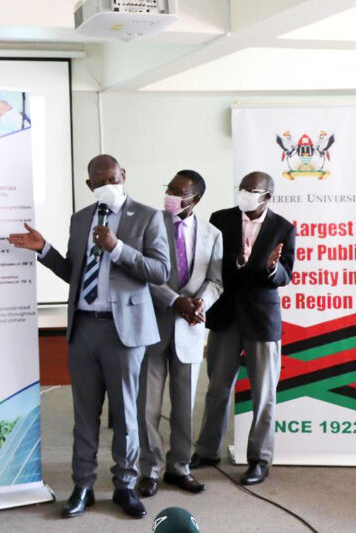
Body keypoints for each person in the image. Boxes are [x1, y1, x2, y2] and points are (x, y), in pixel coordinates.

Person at [8, 154, 169, 520]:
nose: (106, 185)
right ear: (89, 186)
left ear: (123, 175)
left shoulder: (146, 216)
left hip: (124, 331)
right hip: (83, 328)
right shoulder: (81, 219)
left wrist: (118, 248)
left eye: (112, 178)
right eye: (99, 182)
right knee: (84, 414)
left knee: (127, 414)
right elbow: (75, 273)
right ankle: (82, 486)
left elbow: (160, 271)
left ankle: (125, 485)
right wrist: (44, 251)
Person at [190, 171, 295, 486]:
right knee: (217, 388)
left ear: (267, 196)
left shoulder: (283, 228)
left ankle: (259, 460)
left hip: (263, 320)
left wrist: (271, 267)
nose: (245, 194)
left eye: (253, 190)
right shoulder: (219, 219)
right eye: (243, 188)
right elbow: (211, 265)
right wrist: (238, 261)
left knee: (264, 394)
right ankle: (207, 451)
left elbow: (286, 274)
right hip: (225, 315)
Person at [136, 170, 223, 499]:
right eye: (169, 188)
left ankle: (179, 467)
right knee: (148, 405)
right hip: (152, 324)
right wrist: (176, 302)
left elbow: (216, 280)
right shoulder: (148, 223)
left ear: (195, 199)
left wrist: (201, 303)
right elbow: (142, 271)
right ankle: (150, 470)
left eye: (178, 191)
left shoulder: (212, 234)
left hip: (190, 328)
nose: (170, 195)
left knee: (184, 405)